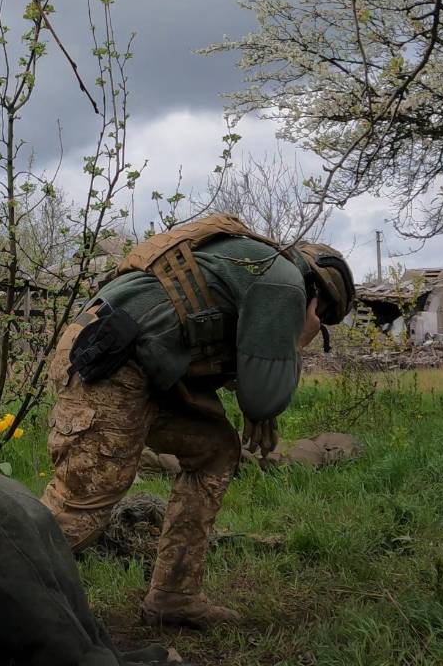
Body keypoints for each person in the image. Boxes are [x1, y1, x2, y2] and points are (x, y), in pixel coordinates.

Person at [39, 214, 354, 629]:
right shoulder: (284, 283)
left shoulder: (258, 264)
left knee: (214, 450)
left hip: (133, 359)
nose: (315, 322)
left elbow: (248, 382)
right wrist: (296, 343)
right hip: (110, 361)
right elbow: (262, 397)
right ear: (319, 297)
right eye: (322, 317)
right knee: (83, 506)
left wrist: (261, 401)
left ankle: (174, 596)